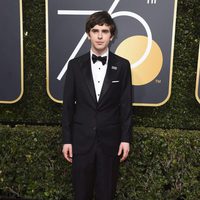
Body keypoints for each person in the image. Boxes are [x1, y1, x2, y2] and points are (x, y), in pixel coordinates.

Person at [62, 11, 132, 200]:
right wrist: (67, 140)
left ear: (112, 35)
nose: (100, 36)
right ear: (88, 34)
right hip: (81, 141)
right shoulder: (75, 66)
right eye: (95, 30)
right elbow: (68, 106)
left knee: (106, 193)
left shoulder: (123, 66)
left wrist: (125, 139)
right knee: (81, 194)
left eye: (105, 31)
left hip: (110, 142)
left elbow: (126, 105)